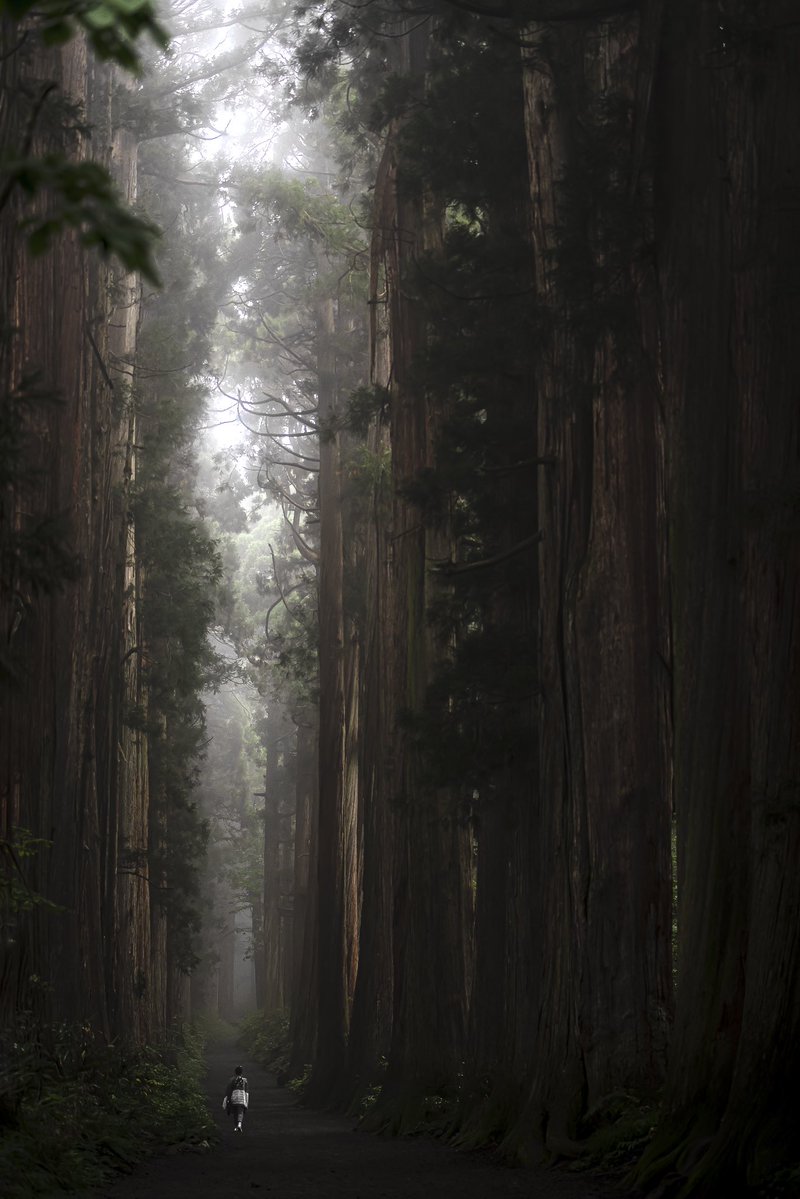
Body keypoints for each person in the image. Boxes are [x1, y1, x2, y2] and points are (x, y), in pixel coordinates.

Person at [224, 1064, 249, 1132]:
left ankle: (236, 1126)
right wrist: (246, 1102)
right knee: (240, 1112)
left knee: (235, 1112)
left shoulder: (232, 1080)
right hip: (242, 1097)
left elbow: (229, 1090)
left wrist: (228, 1099)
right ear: (242, 1072)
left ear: (235, 1072)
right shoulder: (245, 1080)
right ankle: (239, 1125)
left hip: (234, 1097)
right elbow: (246, 1092)